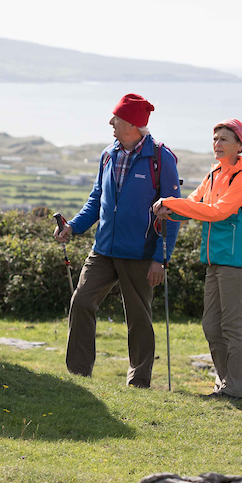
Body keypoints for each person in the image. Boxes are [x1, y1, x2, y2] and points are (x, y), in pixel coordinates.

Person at [54, 93, 181, 388]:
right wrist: (73, 227)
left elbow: (172, 211)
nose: (111, 122)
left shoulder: (161, 158)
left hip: (140, 254)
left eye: (117, 118)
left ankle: (139, 382)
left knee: (138, 319)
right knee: (81, 302)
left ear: (134, 124)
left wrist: (161, 260)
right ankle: (78, 376)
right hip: (103, 250)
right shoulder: (108, 154)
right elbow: (96, 200)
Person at [152, 119, 242, 400]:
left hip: (236, 261)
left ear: (240, 145)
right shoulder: (214, 173)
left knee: (232, 326)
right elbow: (194, 203)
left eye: (224, 139)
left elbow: (217, 212)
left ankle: (234, 389)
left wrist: (171, 202)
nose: (217, 144)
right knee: (211, 326)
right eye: (215, 139)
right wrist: (170, 211)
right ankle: (225, 383)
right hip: (214, 260)